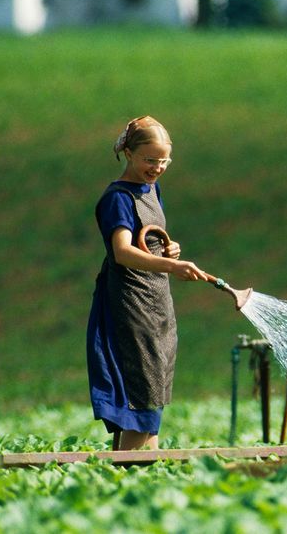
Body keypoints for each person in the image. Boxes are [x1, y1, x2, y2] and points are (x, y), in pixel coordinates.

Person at [86, 115, 210, 451]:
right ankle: (134, 471)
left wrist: (170, 248)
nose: (157, 168)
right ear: (128, 153)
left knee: (153, 385)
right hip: (130, 302)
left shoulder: (152, 189)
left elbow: (148, 239)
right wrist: (172, 265)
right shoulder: (117, 198)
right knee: (141, 390)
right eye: (150, 160)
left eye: (164, 161)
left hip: (156, 299)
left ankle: (135, 471)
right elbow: (123, 252)